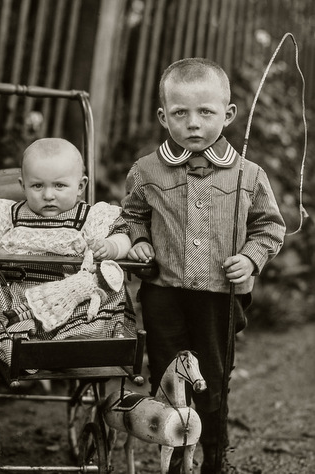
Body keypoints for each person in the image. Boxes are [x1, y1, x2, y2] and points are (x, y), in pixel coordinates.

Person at [121, 58, 285, 474]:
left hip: (220, 297)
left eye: (205, 112)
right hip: (163, 293)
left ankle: (214, 457)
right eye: (180, 113)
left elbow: (269, 226)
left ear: (228, 114)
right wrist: (138, 241)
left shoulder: (248, 175)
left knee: (211, 379)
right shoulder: (146, 170)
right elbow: (131, 215)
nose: (193, 123)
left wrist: (250, 258)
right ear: (164, 116)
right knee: (167, 376)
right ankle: (175, 459)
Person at [0, 138, 133, 368]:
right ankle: (25, 352)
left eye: (59, 186)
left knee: (104, 293)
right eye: (37, 186)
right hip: (22, 296)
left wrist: (111, 246)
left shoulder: (90, 218)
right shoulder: (8, 215)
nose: (48, 195)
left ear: (81, 186)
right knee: (2, 304)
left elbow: (123, 236)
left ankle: (75, 346)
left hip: (72, 297)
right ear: (23, 186)